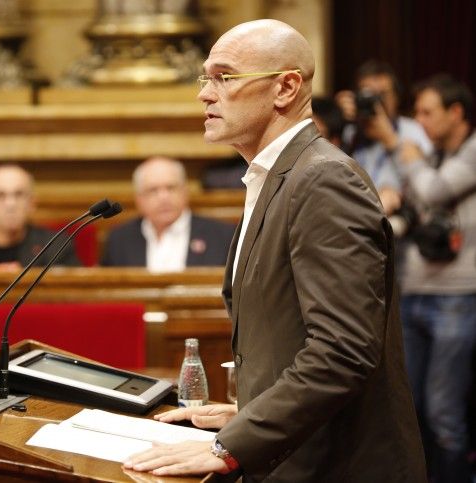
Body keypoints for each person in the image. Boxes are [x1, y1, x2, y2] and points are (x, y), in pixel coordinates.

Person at [123, 19, 426, 482]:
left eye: (224, 77)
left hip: (340, 468)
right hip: (299, 452)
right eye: (205, 78)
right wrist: (248, 415)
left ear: (285, 88)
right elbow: (287, 334)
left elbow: (342, 351)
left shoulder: (323, 180)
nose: (205, 93)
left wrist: (236, 445)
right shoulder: (277, 176)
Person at [396, 74, 476, 483]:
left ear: (456, 111)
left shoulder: (472, 151)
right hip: (417, 292)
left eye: (428, 111)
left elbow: (435, 192)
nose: (419, 120)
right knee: (412, 409)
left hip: (457, 295)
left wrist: (406, 156)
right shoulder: (435, 154)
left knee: (444, 411)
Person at [101, 156, 235, 271]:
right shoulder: (119, 239)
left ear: (185, 192)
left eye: (171, 188)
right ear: (139, 199)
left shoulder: (222, 235)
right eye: (153, 190)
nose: (163, 197)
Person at [335, 60, 432, 216]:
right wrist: (336, 119)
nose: (375, 102)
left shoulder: (415, 131)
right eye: (368, 95)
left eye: (382, 95)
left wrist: (390, 140)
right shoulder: (349, 133)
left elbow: (427, 189)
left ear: (396, 97)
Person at [0, 164, 80, 269]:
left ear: (32, 203)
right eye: (0, 195)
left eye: (19, 194)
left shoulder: (56, 248)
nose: (11, 204)